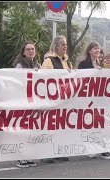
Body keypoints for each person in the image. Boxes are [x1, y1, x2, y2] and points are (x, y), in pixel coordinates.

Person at [78, 42, 110, 160]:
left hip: (100, 100)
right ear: (89, 51)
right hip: (88, 99)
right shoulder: (83, 64)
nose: (97, 50)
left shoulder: (102, 64)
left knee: (102, 124)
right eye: (95, 48)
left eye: (98, 48)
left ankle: (104, 150)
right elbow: (79, 79)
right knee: (90, 125)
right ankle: (92, 148)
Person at [41, 35, 71, 163]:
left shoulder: (67, 62)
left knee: (60, 125)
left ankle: (59, 150)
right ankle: (46, 153)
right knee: (49, 125)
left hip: (63, 99)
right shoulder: (49, 61)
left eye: (65, 44)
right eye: (63, 44)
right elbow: (42, 79)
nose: (65, 47)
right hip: (51, 99)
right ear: (56, 46)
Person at [12, 43, 39, 168]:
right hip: (22, 102)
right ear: (23, 52)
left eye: (32, 49)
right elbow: (18, 83)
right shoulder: (19, 66)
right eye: (28, 49)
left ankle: (27, 157)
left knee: (31, 131)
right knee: (22, 130)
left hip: (33, 103)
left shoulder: (37, 65)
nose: (30, 51)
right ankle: (20, 158)